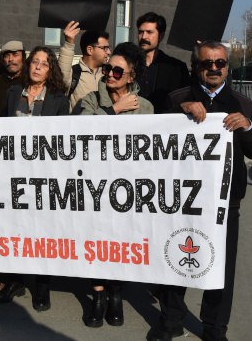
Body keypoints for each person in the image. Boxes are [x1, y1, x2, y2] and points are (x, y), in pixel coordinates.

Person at [148, 41, 252, 341]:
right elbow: (155, 141)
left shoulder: (242, 104)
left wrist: (248, 127)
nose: (214, 68)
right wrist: (180, 111)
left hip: (226, 202)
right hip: (182, 200)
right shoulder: (177, 98)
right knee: (175, 258)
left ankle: (215, 328)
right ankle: (170, 321)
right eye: (207, 63)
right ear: (195, 67)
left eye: (220, 63)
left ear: (227, 67)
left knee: (221, 268)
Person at [79, 42, 153, 328]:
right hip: (94, 184)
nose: (110, 74)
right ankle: (98, 294)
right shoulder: (90, 99)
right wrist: (114, 110)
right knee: (95, 238)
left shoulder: (146, 107)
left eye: (118, 71)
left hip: (127, 187)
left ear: (132, 76)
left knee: (121, 240)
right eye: (109, 68)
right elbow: (81, 133)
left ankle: (115, 293)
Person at [0, 46, 69, 312]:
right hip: (14, 173)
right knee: (15, 228)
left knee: (42, 231)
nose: (38, 67)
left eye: (44, 64)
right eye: (35, 62)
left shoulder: (59, 99)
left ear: (51, 70)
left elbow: (63, 141)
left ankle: (42, 285)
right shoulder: (14, 92)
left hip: (44, 175)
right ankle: (15, 281)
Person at [135, 12, 190, 113]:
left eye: (149, 32)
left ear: (161, 36)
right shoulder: (129, 65)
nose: (143, 37)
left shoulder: (177, 68)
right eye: (141, 32)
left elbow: (186, 99)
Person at [60, 21, 111, 112]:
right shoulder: (74, 74)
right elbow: (60, 79)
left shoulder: (109, 75)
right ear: (90, 50)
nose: (109, 52)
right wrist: (69, 43)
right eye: (105, 48)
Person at [0, 40, 26, 116]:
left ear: (23, 58)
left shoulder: (29, 82)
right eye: (7, 56)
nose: (10, 59)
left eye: (15, 55)